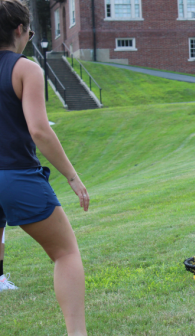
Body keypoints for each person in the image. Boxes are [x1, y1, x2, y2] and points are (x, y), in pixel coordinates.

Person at [1, 0, 89, 334]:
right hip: (16, 177)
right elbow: (40, 131)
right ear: (20, 30)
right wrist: (72, 175)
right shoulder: (25, 69)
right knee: (65, 252)